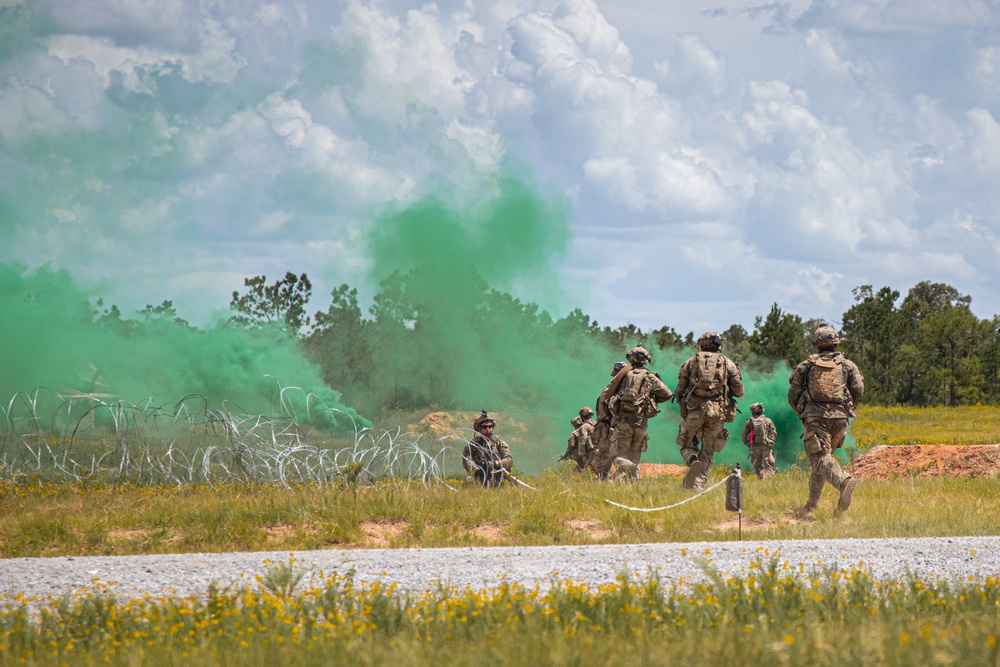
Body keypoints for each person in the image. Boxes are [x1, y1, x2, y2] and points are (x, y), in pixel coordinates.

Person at [788, 326, 864, 514]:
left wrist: (803, 413)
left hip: (815, 417)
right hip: (840, 419)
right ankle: (811, 507)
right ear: (836, 342)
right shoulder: (847, 365)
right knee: (821, 462)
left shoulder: (806, 365)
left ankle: (843, 481)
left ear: (817, 343)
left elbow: (793, 394)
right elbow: (859, 390)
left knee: (820, 458)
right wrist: (848, 408)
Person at [674, 331, 745, 491]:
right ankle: (698, 486)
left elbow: (679, 391)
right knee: (708, 450)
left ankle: (692, 461)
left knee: (687, 443)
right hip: (717, 412)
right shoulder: (728, 363)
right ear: (719, 345)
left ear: (701, 344)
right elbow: (739, 391)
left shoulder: (691, 362)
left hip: (694, 412)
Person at [605, 347, 673, 481]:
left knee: (620, 455)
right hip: (641, 422)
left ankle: (621, 480)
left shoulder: (623, 375)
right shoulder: (650, 376)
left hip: (623, 421)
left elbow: (608, 394)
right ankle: (632, 483)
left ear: (630, 358)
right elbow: (667, 394)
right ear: (646, 360)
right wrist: (652, 398)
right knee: (635, 454)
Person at [590, 361, 626, 479]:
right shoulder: (612, 392)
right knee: (605, 455)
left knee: (605, 455)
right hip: (607, 427)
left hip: (605, 426)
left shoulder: (609, 390)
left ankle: (601, 479)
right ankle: (600, 480)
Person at [463, 410, 514, 487]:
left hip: (498, 476)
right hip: (479, 477)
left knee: (513, 480)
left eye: (490, 426)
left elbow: (508, 460)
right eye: (484, 427)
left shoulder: (499, 443)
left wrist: (495, 463)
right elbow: (467, 460)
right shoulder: (473, 445)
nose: (487, 429)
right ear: (479, 429)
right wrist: (477, 469)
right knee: (469, 480)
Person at [741, 402, 777, 478]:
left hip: (755, 447)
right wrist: (770, 441)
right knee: (769, 466)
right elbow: (773, 433)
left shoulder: (749, 422)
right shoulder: (768, 421)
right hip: (766, 446)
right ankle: (769, 482)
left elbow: (744, 436)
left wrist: (750, 444)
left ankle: (761, 479)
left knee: (758, 466)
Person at [561, 407, 597, 471]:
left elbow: (582, 441)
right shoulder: (597, 424)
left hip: (590, 452)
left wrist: (581, 456)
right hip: (600, 450)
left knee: (586, 470)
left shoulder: (584, 427)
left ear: (582, 416)